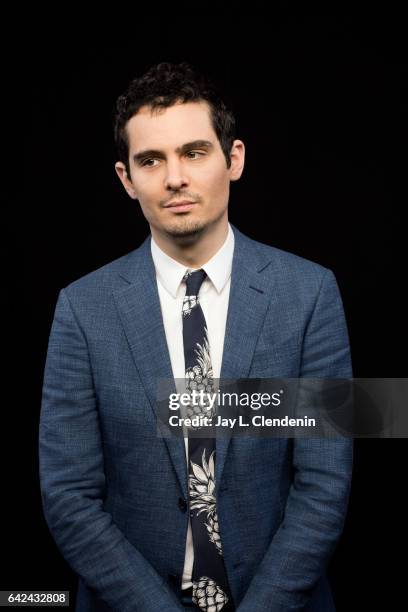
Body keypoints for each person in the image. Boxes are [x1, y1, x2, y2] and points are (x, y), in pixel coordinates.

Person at [39, 62, 353, 612]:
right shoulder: (82, 309)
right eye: (151, 160)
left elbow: (325, 484)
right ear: (125, 179)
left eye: (194, 152)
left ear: (233, 160)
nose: (175, 177)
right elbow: (68, 495)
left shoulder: (309, 294)